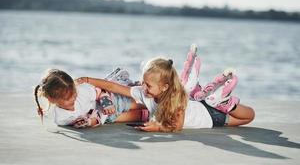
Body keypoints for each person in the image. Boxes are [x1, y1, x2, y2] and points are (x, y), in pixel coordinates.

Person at [75, 44, 255, 132]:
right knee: (244, 116)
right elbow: (114, 86)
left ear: (164, 87)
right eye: (143, 82)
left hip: (210, 117)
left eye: (148, 84)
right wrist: (89, 79)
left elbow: (177, 126)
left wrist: (157, 127)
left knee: (248, 117)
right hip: (202, 107)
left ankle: (226, 104)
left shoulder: (175, 100)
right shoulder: (146, 93)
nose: (142, 86)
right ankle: (222, 102)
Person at [34, 68, 148, 128]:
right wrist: (88, 122)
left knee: (143, 103)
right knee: (140, 116)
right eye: (68, 100)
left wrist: (105, 99)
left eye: (74, 95)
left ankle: (159, 103)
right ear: (52, 100)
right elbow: (77, 121)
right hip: (107, 118)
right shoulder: (60, 117)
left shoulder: (81, 91)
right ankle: (152, 114)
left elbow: (99, 91)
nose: (73, 100)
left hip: (113, 102)